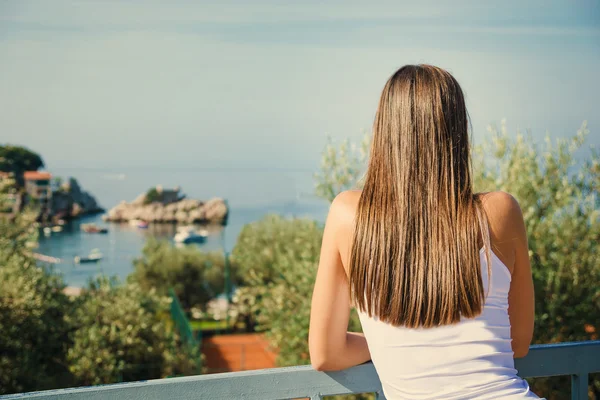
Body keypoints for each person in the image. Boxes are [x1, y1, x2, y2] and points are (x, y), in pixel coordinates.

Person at [309, 65, 540, 399]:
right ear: (458, 131)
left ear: (384, 130)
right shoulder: (500, 212)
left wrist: (391, 346)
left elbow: (326, 354)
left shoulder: (348, 215)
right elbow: (517, 342)